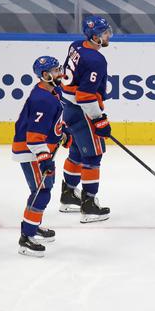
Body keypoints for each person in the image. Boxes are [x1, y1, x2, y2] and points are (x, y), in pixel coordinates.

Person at [12, 56, 69, 256]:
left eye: (58, 68)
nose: (59, 73)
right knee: (41, 191)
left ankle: (33, 225)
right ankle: (26, 238)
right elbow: (34, 136)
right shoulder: (42, 99)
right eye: (55, 71)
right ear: (45, 75)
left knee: (41, 189)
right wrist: (44, 158)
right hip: (31, 151)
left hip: (39, 148)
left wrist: (62, 132)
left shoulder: (52, 92)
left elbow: (51, 123)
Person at [58, 15, 112, 222]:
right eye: (104, 33)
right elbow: (85, 96)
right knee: (92, 157)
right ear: (95, 37)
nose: (108, 35)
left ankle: (68, 195)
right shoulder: (96, 60)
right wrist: (99, 119)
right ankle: (89, 205)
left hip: (69, 108)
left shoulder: (76, 45)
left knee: (77, 151)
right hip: (82, 110)